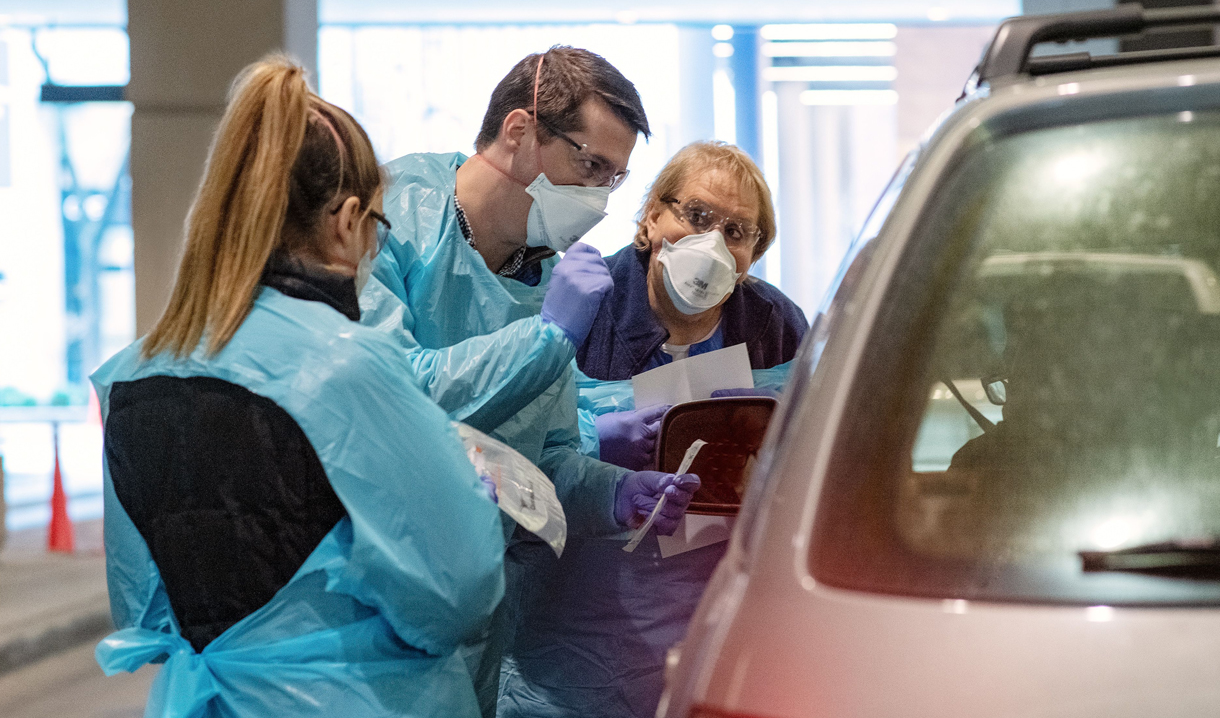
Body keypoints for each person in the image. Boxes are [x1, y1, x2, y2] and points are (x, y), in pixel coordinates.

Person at [91, 56, 506, 717]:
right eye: (377, 223)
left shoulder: (131, 376)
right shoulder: (351, 367)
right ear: (347, 221)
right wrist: (469, 495)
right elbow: (458, 596)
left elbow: (140, 602)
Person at [359, 46, 700, 717]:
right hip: (378, 616)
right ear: (520, 132)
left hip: (478, 616)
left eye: (615, 178)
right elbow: (392, 401)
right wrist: (545, 339)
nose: (601, 198)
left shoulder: (539, 274)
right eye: (590, 165)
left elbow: (536, 468)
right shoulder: (391, 221)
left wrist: (618, 493)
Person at [497, 141, 809, 718]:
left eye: (738, 232)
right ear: (650, 219)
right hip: (574, 633)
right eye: (697, 216)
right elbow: (506, 448)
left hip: (708, 614)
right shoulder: (586, 305)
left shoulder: (775, 325)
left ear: (752, 255)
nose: (713, 242)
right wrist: (592, 438)